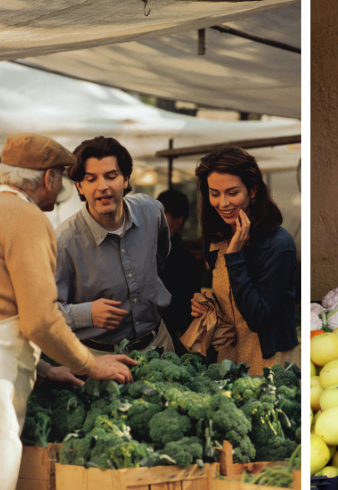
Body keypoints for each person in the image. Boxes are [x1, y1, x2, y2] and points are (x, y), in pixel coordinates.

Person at [0, 134, 137, 489]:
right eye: (62, 176)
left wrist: (47, 370)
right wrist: (89, 364)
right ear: (49, 178)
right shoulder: (26, 217)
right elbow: (40, 321)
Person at [55, 136, 175, 356]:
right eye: (91, 179)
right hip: (100, 357)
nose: (103, 187)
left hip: (159, 345)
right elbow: (44, 312)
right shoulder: (63, 243)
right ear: (79, 186)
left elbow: (159, 260)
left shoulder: (152, 212)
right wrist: (87, 313)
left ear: (126, 179)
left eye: (111, 176)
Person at [191, 146, 299, 374]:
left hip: (269, 364)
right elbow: (230, 300)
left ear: (252, 190)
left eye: (232, 192)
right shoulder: (216, 239)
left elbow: (258, 318)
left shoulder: (279, 245)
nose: (223, 203)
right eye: (214, 193)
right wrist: (208, 307)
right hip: (227, 360)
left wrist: (235, 257)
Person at [156, 189, 201, 354]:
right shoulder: (184, 257)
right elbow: (187, 312)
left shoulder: (137, 244)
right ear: (180, 219)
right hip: (167, 336)